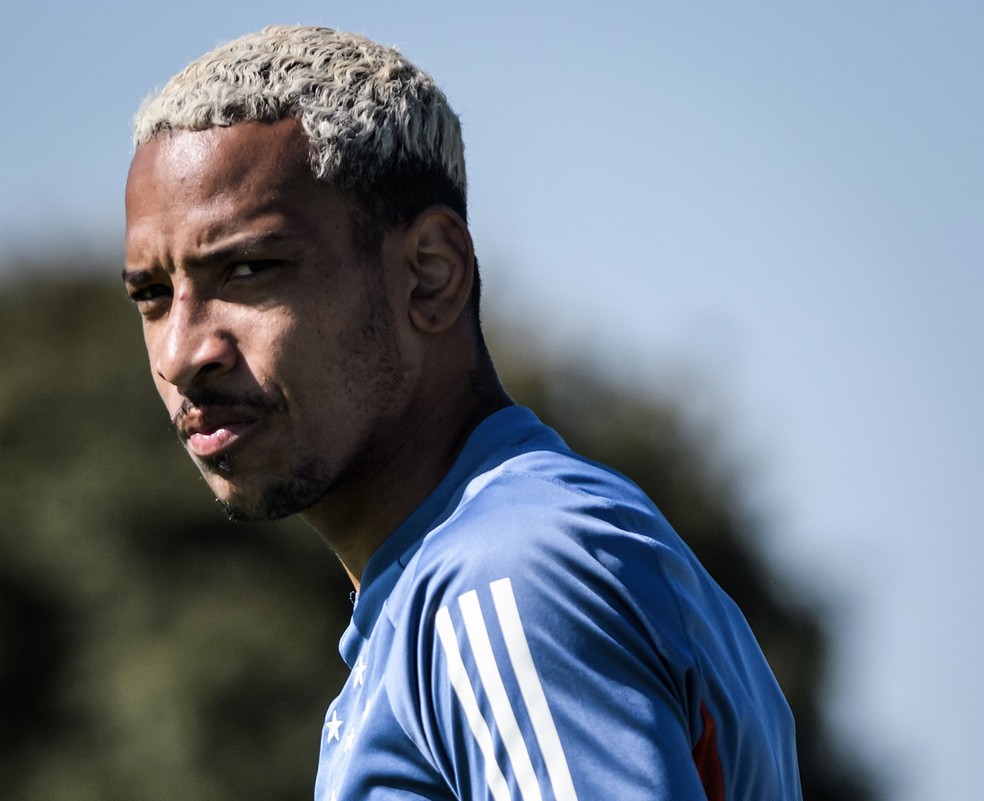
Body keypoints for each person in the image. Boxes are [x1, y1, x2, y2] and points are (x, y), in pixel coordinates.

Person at [123, 25, 802, 801]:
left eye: (250, 270)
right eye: (150, 295)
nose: (181, 353)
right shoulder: (450, 589)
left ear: (432, 275)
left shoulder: (504, 573)